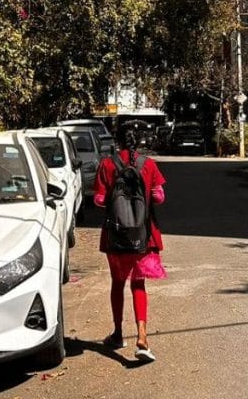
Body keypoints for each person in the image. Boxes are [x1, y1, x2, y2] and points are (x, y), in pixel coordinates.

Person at [92, 129, 167, 362]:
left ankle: (117, 333)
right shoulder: (149, 164)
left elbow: (100, 199)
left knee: (117, 283)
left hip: (115, 236)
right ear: (140, 143)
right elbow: (159, 197)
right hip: (143, 235)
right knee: (138, 285)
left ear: (118, 142)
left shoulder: (107, 164)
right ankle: (142, 337)